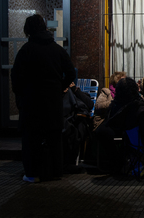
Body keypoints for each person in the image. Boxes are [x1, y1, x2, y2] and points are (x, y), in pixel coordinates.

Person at [11, 14, 76, 183]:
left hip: (32, 101)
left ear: (28, 30)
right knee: (54, 138)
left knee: (31, 139)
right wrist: (60, 87)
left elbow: (16, 77)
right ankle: (56, 172)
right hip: (52, 100)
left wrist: (21, 94)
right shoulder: (57, 49)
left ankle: (32, 173)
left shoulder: (25, 50)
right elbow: (70, 72)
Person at [62, 81, 94, 171]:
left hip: (78, 120)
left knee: (78, 128)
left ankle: (70, 161)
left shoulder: (78, 93)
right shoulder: (62, 94)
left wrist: (75, 90)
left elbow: (90, 104)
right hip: (65, 119)